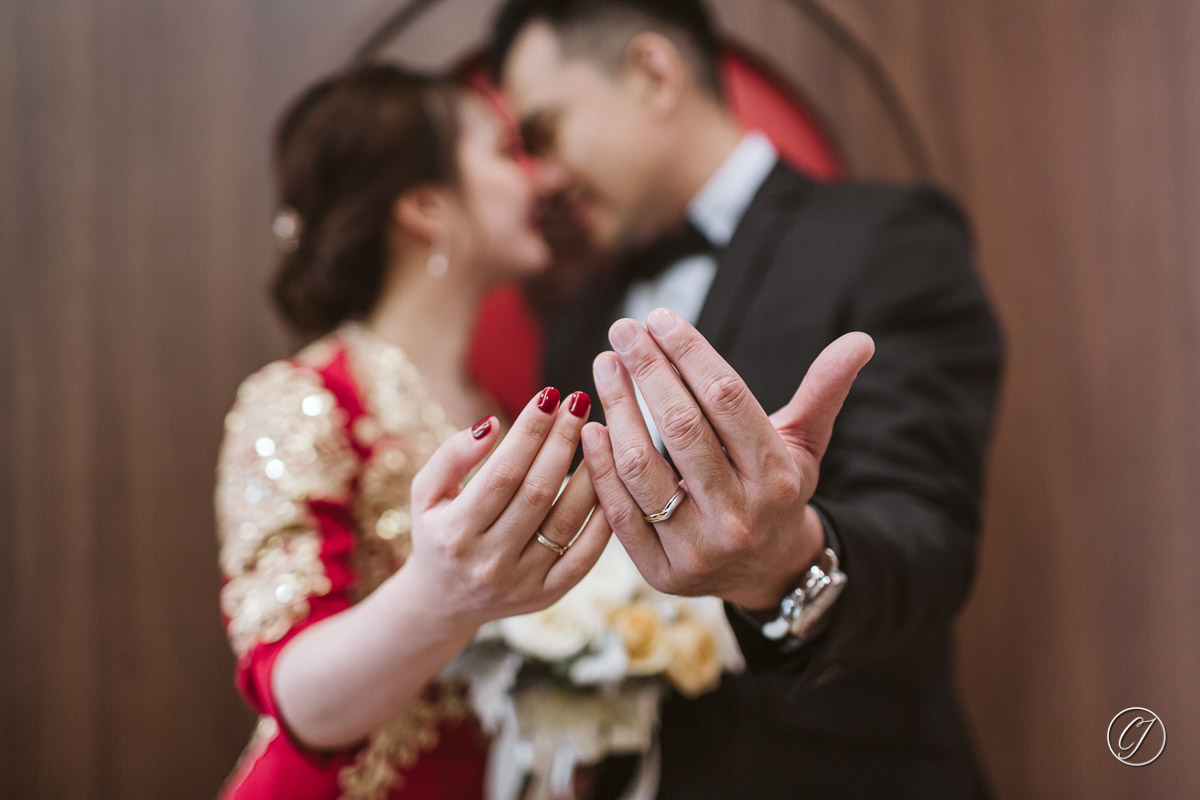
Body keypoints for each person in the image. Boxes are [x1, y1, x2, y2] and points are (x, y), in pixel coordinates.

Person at [489, 1, 1005, 797]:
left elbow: (927, 533)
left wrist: (787, 561)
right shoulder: (578, 318)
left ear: (653, 73)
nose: (542, 177)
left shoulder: (888, 238)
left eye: (547, 132)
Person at [213, 64, 616, 799]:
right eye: (503, 152)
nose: (538, 181)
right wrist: (440, 598)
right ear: (427, 206)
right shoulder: (306, 398)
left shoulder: (501, 406)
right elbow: (292, 689)